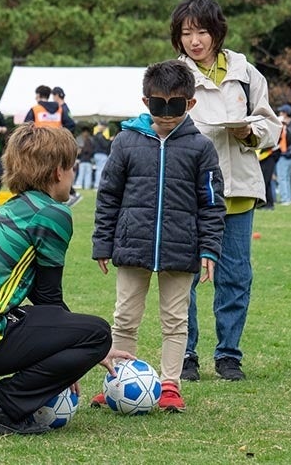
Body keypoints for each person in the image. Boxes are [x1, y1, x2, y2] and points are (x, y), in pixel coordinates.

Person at [0, 124, 130, 435]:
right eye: (71, 167)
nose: (72, 175)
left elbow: (38, 304)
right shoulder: (52, 213)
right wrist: (81, 351)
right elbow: (48, 297)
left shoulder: (10, 210)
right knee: (98, 333)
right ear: (59, 171)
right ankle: (0, 406)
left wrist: (62, 341)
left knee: (22, 317)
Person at [90, 60, 225, 412]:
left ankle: (170, 384)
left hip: (181, 249)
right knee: (125, 317)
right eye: (158, 104)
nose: (166, 113)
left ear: (190, 104)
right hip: (132, 243)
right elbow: (108, 195)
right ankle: (118, 381)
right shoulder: (125, 141)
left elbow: (212, 204)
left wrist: (210, 248)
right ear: (146, 101)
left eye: (175, 105)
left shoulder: (201, 148)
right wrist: (103, 242)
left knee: (175, 319)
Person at [170, 0, 280, 382]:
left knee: (235, 273)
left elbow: (271, 126)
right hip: (190, 190)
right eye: (186, 33)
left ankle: (229, 354)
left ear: (217, 32)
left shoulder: (246, 73)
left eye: (201, 31)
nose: (194, 40)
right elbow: (160, 125)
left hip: (239, 188)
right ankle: (185, 354)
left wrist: (251, 132)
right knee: (185, 275)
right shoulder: (175, 76)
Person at [24, 85, 80, 206]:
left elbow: (25, 129)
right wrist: (61, 137)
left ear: (38, 95)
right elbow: (71, 125)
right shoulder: (60, 109)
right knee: (55, 172)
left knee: (40, 173)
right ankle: (65, 195)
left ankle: (42, 200)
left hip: (39, 146)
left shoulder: (35, 109)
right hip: (56, 147)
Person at [91, 121, 112, 188]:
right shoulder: (100, 136)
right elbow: (105, 145)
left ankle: (96, 184)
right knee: (101, 170)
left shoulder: (95, 135)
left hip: (96, 154)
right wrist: (110, 140)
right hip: (101, 154)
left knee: (98, 169)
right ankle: (98, 185)